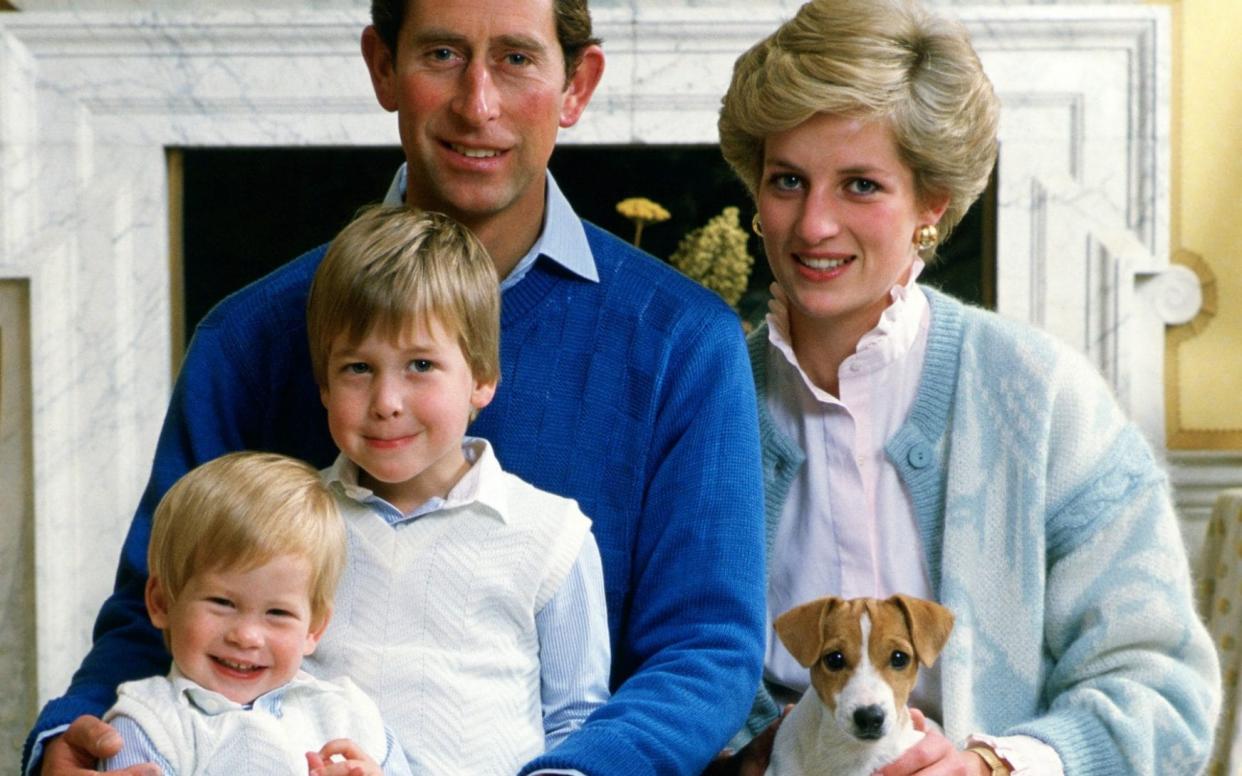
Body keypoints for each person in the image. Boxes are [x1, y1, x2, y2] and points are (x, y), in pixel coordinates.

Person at [24, 0, 766, 773]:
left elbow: (705, 648)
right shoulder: (249, 337)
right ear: (383, 66)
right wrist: (69, 739)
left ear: (577, 84)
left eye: (516, 59)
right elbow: (161, 606)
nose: (477, 105)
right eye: (441, 55)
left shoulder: (685, 345)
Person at [715, 0, 1221, 773]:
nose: (812, 224)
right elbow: (639, 661)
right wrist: (753, 757)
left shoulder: (1044, 397)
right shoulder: (704, 398)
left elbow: (1163, 690)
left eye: (860, 185)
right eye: (789, 180)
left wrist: (997, 765)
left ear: (931, 203)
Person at [304, 205, 611, 773]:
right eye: (357, 368)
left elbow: (577, 722)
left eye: (420, 364)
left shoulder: (550, 536)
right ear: (323, 382)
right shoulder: (292, 523)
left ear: (482, 377)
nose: (387, 401)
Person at [99, 451, 411, 776]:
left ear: (313, 630)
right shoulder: (148, 725)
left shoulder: (348, 715)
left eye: (277, 612)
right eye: (222, 603)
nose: (246, 635)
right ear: (162, 602)